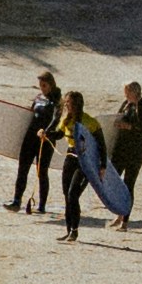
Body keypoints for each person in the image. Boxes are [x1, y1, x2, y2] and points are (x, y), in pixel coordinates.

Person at [10, 67, 61, 216]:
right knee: (22, 168)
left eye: (44, 86)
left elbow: (56, 119)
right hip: (31, 137)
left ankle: (42, 205)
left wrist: (47, 131)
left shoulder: (57, 101)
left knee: (42, 172)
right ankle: (16, 200)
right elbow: (30, 114)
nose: (42, 88)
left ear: (51, 84)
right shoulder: (39, 98)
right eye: (40, 85)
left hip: (46, 139)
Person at [107, 80, 142, 221]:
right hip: (121, 148)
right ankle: (118, 212)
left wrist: (130, 127)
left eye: (127, 92)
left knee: (129, 183)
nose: (125, 95)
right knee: (114, 179)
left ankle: (124, 218)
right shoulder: (125, 105)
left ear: (134, 92)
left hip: (135, 150)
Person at [57, 85, 99, 238]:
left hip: (85, 161)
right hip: (70, 159)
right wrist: (44, 133)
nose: (66, 105)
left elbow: (101, 144)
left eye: (69, 103)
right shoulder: (66, 120)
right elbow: (57, 134)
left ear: (76, 104)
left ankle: (75, 230)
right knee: (66, 195)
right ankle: (68, 231)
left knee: (73, 195)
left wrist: (102, 166)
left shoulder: (90, 122)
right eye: (66, 103)